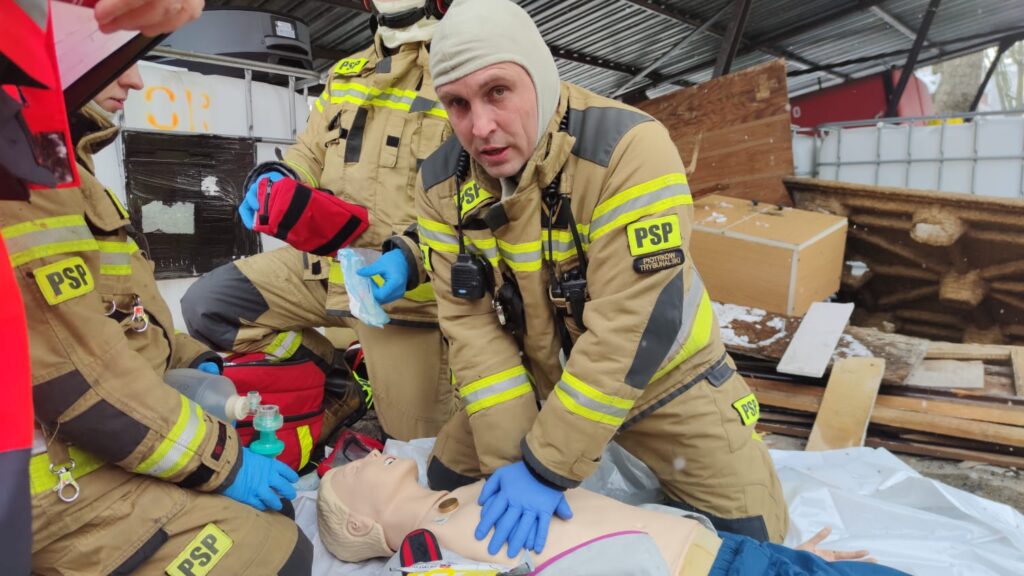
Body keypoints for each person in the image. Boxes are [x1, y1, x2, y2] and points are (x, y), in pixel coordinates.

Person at [371, 0, 791, 554]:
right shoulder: (440, 185)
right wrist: (510, 467)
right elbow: (473, 332)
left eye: (498, 91)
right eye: (458, 103)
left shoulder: (628, 149)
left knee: (756, 541)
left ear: (540, 78)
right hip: (535, 377)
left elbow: (632, 329)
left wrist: (544, 468)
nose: (481, 127)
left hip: (663, 382)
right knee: (447, 487)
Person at [0, 64, 312, 574]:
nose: (136, 81)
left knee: (280, 531)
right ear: (48, 53)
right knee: (279, 552)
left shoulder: (61, 166)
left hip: (109, 450)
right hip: (62, 489)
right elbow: (79, 375)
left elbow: (121, 317)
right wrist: (223, 462)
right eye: (116, 62)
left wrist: (191, 360)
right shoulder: (22, 177)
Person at [181, 0, 457, 442]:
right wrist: (278, 177)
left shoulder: (461, 66)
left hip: (409, 296)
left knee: (418, 444)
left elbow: (480, 198)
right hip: (326, 269)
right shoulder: (347, 73)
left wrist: (412, 255)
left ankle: (429, 388)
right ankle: (341, 385)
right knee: (209, 304)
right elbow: (309, 151)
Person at [316, 451, 907, 576]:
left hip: (735, 556)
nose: (365, 456)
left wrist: (788, 557)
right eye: (352, 472)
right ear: (361, 524)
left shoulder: (471, 490)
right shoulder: (427, 558)